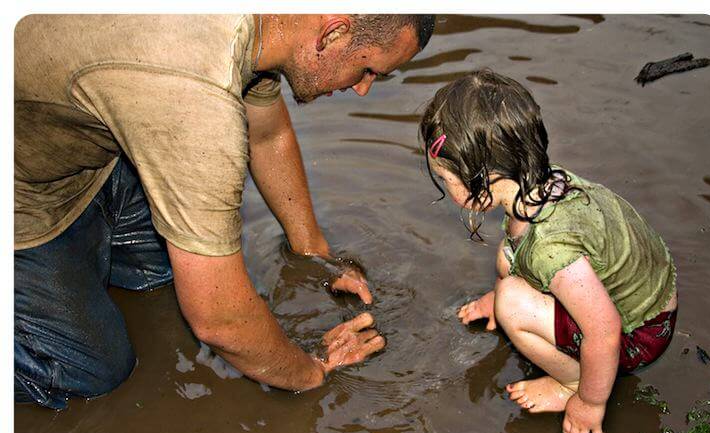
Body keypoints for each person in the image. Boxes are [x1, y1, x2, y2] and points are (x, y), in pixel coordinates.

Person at [14, 14, 435, 409]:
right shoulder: (197, 99)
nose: (364, 88)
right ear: (334, 34)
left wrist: (315, 254)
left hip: (89, 153)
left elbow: (267, 135)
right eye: (368, 71)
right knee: (94, 369)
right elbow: (221, 322)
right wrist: (313, 368)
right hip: (23, 192)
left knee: (161, 277)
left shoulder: (266, 28)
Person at [418, 69, 677, 433]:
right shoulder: (545, 184)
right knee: (508, 258)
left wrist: (588, 403)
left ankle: (572, 380)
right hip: (645, 295)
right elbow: (523, 249)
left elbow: (604, 332)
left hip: (641, 333)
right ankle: (523, 311)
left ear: (483, 179)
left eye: (446, 180)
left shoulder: (552, 245)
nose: (445, 188)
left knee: (512, 302)